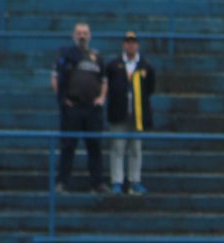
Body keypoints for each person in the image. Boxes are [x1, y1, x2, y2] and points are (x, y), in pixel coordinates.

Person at [52, 22, 108, 193]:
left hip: (92, 108)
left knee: (95, 147)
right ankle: (62, 182)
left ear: (90, 35)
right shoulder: (66, 55)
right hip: (73, 107)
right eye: (79, 33)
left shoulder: (97, 57)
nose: (82, 36)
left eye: (85, 33)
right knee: (68, 146)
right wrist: (63, 99)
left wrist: (101, 98)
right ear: (73, 35)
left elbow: (104, 81)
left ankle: (97, 183)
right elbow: (55, 79)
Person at [105, 32, 156, 195]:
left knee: (135, 149)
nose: (130, 45)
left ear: (138, 45)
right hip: (118, 113)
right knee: (117, 148)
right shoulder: (114, 65)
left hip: (137, 115)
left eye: (133, 42)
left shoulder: (145, 65)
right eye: (128, 42)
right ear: (123, 45)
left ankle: (135, 181)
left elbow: (150, 89)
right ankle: (117, 181)